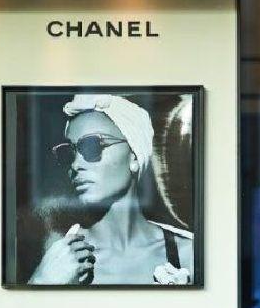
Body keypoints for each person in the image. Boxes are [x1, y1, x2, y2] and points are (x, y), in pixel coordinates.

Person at [28, 93, 193, 285]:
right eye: (68, 153)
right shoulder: (58, 256)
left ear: (134, 157)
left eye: (91, 146)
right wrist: (40, 281)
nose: (75, 165)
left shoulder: (188, 252)